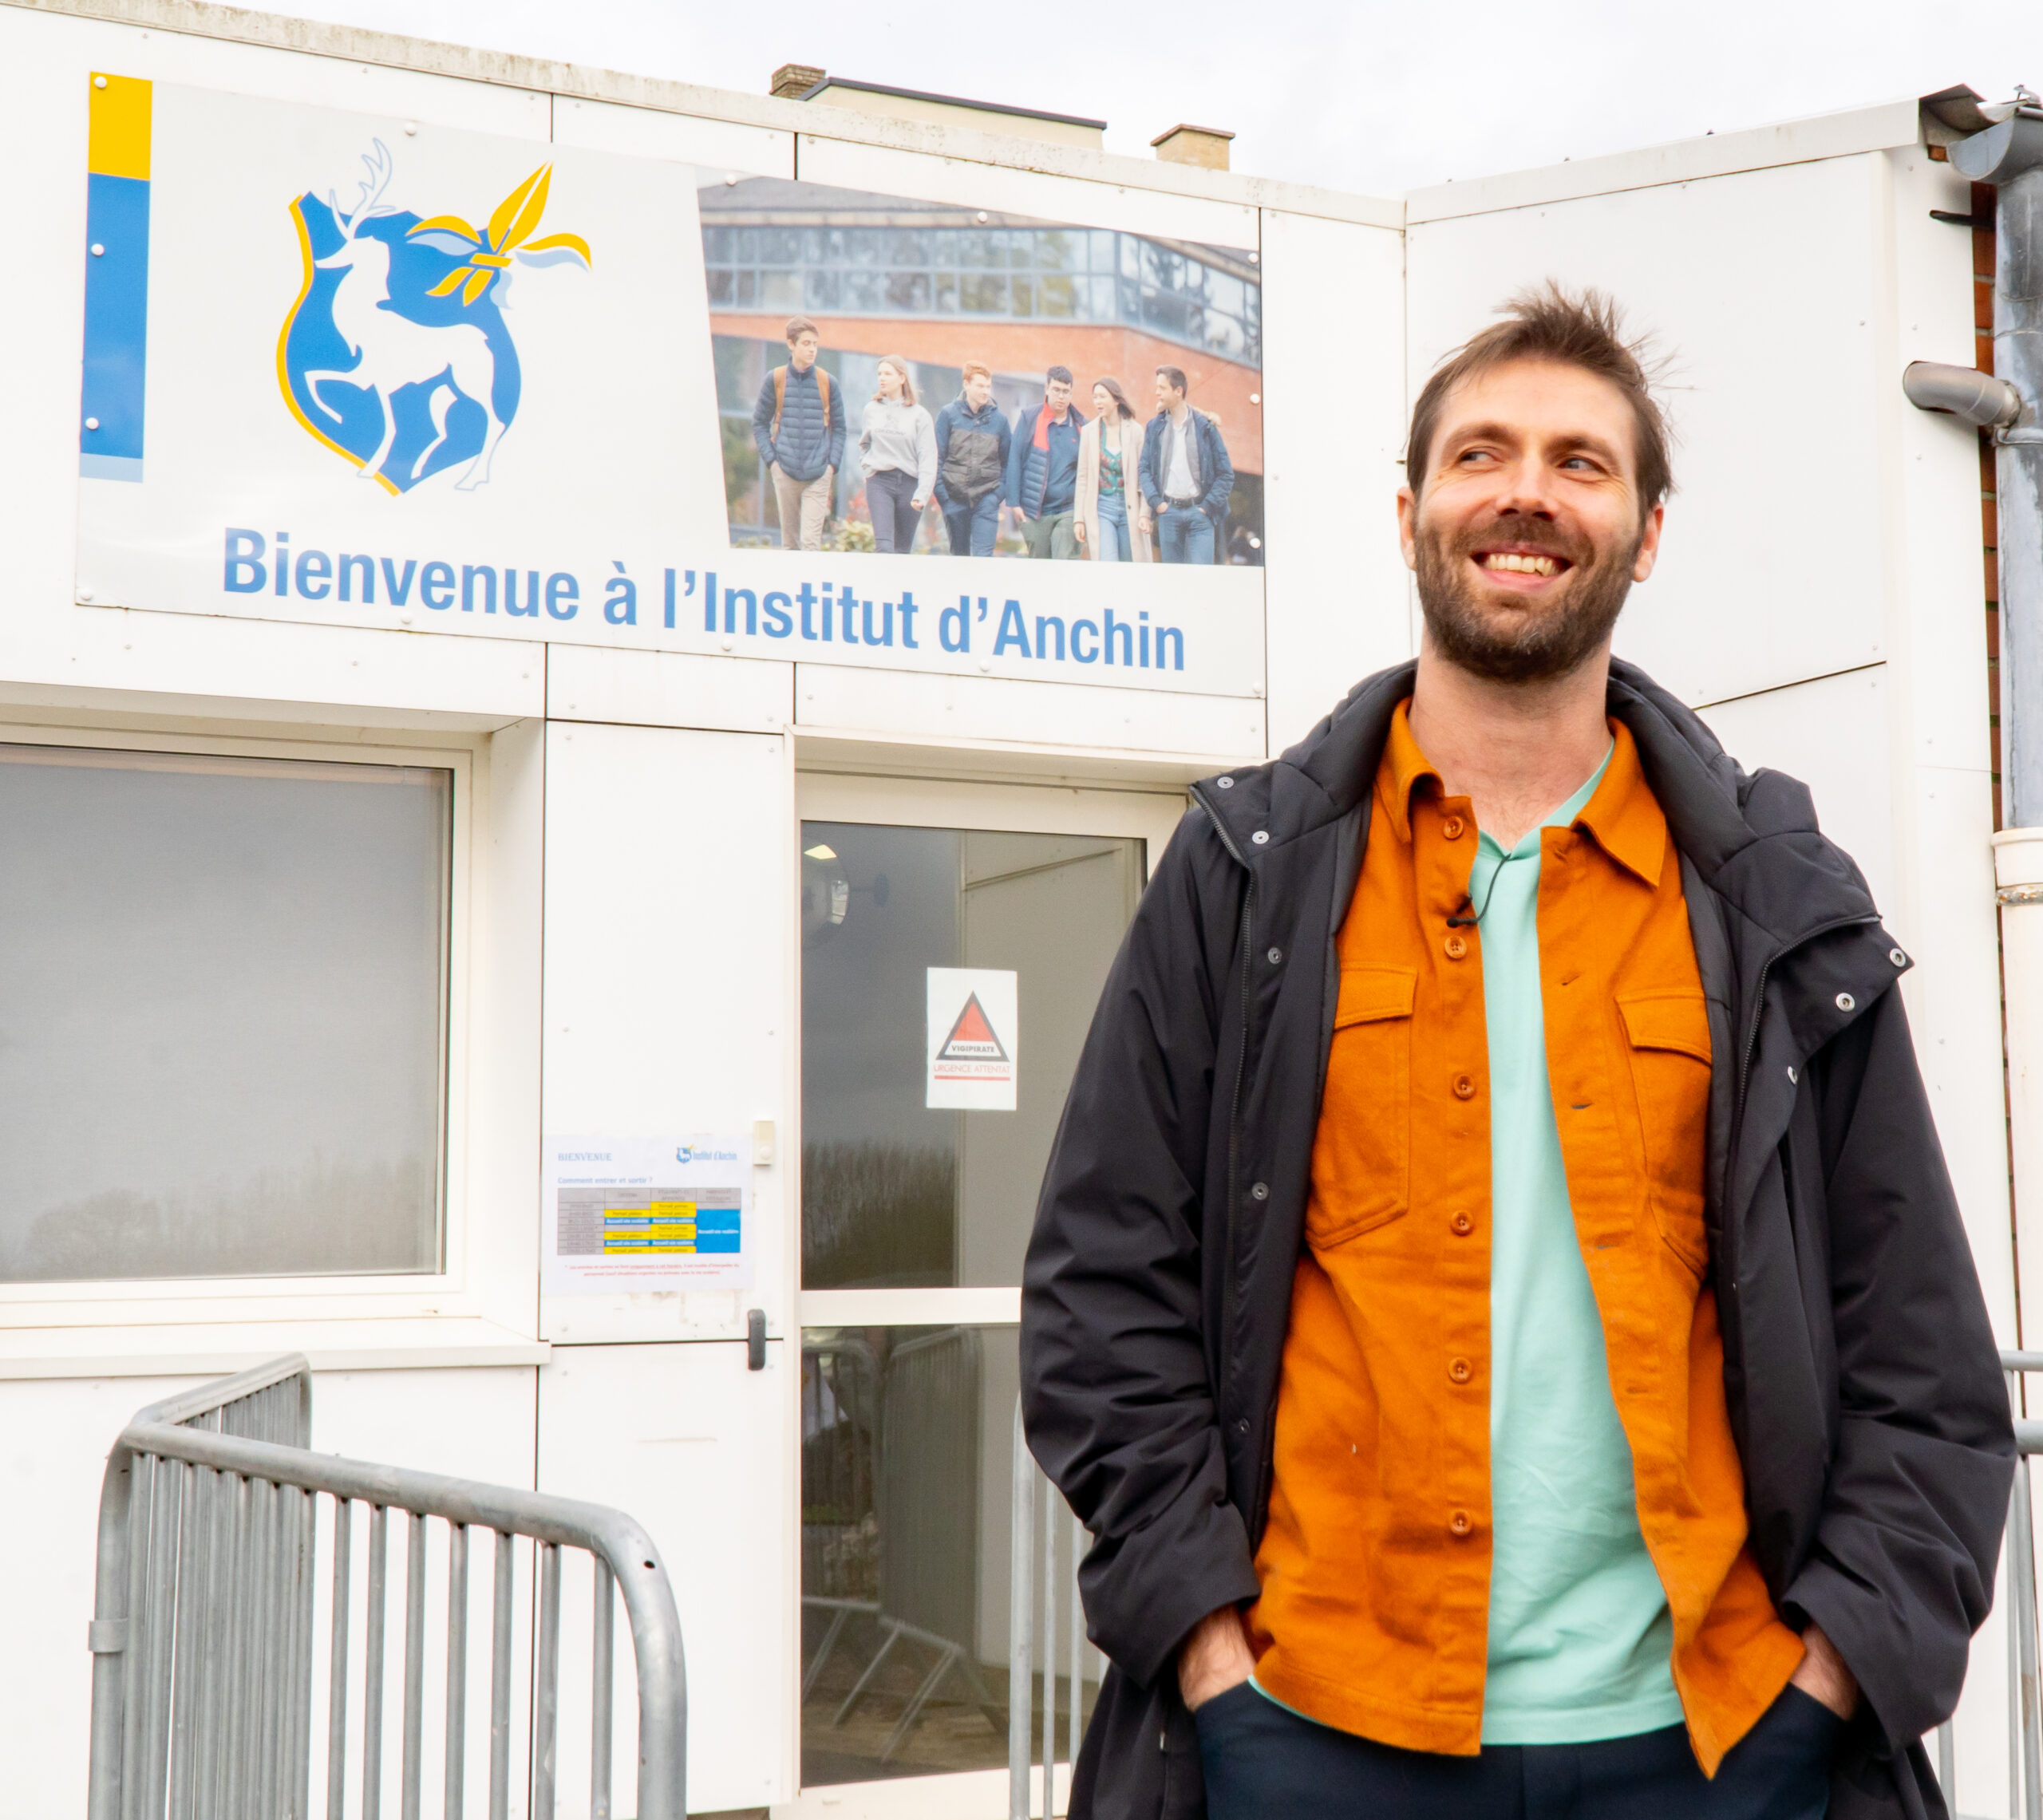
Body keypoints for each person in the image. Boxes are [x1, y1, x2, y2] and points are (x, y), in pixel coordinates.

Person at [1021, 286, 2013, 1820]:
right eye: (1484, 455)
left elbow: (1921, 1356)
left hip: (1717, 1745)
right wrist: (1210, 1656)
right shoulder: (1243, 881)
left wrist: (1832, 1685)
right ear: (1415, 512)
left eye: (1581, 461)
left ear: (1648, 529)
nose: (1528, 493)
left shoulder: (1770, 907)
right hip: (1309, 1732)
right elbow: (1100, 1301)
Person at [750, 317, 845, 552]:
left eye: (815, 343)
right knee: (790, 546)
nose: (812, 349)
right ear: (791, 345)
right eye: (806, 343)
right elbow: (759, 423)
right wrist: (772, 462)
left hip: (818, 474)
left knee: (810, 544)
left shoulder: (827, 382)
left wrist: (832, 465)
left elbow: (840, 428)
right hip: (785, 470)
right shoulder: (776, 379)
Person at [1139, 365, 1235, 564]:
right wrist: (1157, 503)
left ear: (1178, 391)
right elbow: (1144, 469)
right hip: (1168, 513)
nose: (1157, 392)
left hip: (1200, 514)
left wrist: (1207, 507)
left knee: (1200, 580)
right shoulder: (1155, 427)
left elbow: (1225, 474)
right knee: (1173, 582)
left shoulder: (1205, 427)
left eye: (1162, 388)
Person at [1006, 365, 1087, 559]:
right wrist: (1014, 503)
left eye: (1066, 392)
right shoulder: (1030, 418)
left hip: (1068, 509)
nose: (1061, 396)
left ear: (1071, 393)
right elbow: (1015, 459)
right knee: (1040, 568)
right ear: (1047, 389)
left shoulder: (1082, 426)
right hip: (1035, 511)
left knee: (1063, 561)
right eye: (1057, 390)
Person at [858, 356, 936, 555]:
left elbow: (928, 456)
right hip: (880, 482)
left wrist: (923, 494)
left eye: (888, 374)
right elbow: (864, 444)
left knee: (901, 550)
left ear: (902, 378)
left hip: (909, 484)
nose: (882, 378)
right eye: (880, 374)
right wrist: (868, 469)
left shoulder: (920, 415)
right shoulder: (871, 410)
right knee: (884, 546)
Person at [934, 362, 1012, 557]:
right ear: (966, 385)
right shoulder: (948, 415)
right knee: (960, 560)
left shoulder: (1000, 421)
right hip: (954, 500)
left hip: (986, 500)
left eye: (988, 386)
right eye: (980, 386)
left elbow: (1008, 464)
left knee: (983, 561)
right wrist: (945, 499)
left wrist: (995, 498)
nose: (985, 391)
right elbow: (936, 459)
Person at [1074, 377, 1150, 564]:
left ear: (1116, 400)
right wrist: (1079, 519)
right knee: (1107, 564)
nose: (1098, 402)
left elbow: (1145, 475)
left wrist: (1145, 513)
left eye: (1102, 397)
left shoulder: (1135, 431)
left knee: (1130, 564)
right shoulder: (1089, 432)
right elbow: (1082, 477)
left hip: (1129, 507)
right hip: (1102, 508)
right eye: (1095, 397)